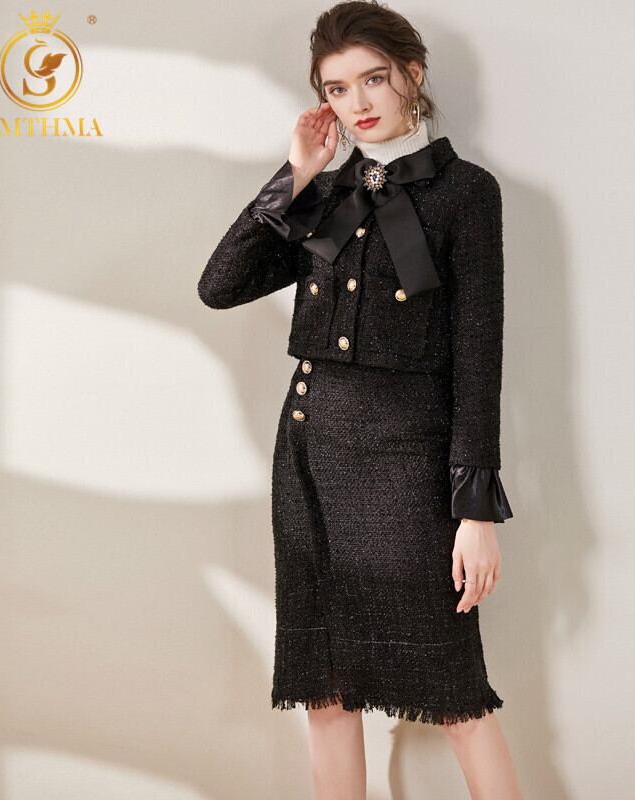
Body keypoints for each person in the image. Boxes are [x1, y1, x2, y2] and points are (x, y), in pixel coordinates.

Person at [197, 2, 523, 797]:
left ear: (412, 73)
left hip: (408, 470)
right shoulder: (326, 194)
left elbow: (478, 357)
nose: (358, 103)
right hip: (310, 457)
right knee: (326, 691)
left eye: (373, 79)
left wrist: (474, 511)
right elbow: (219, 286)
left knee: (454, 694)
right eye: (337, 89)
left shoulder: (466, 194)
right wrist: (296, 174)